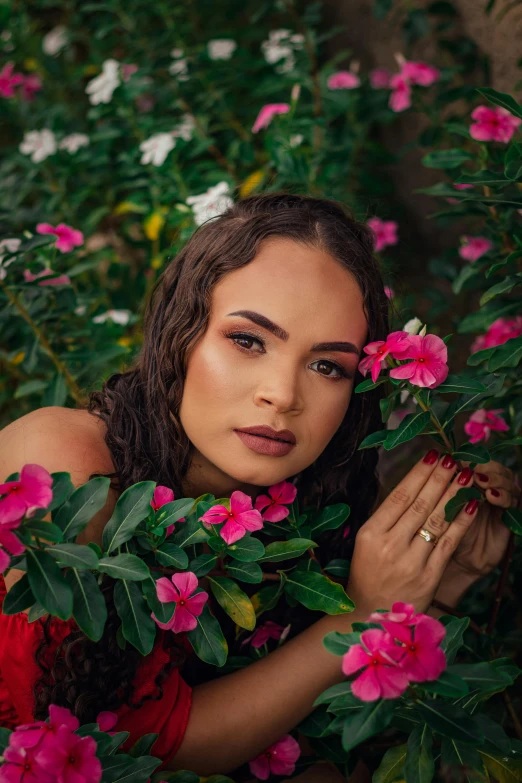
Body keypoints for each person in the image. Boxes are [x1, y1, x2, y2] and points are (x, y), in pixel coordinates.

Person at [0, 193, 517, 781]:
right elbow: (146, 740)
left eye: (328, 366)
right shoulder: (65, 473)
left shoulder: (299, 514)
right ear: (181, 331)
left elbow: (300, 722)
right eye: (248, 340)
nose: (283, 394)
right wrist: (364, 617)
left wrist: (440, 581)